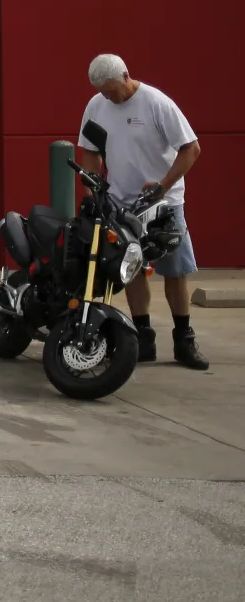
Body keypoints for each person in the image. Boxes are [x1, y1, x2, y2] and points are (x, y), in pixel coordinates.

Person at [77, 54, 206, 370]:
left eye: (111, 91)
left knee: (174, 272)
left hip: (164, 204)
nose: (108, 97)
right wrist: (92, 192)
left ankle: (184, 340)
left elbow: (191, 149)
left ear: (125, 76)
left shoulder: (157, 104)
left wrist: (163, 186)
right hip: (121, 203)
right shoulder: (96, 106)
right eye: (102, 92)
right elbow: (90, 153)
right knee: (131, 269)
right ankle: (143, 338)